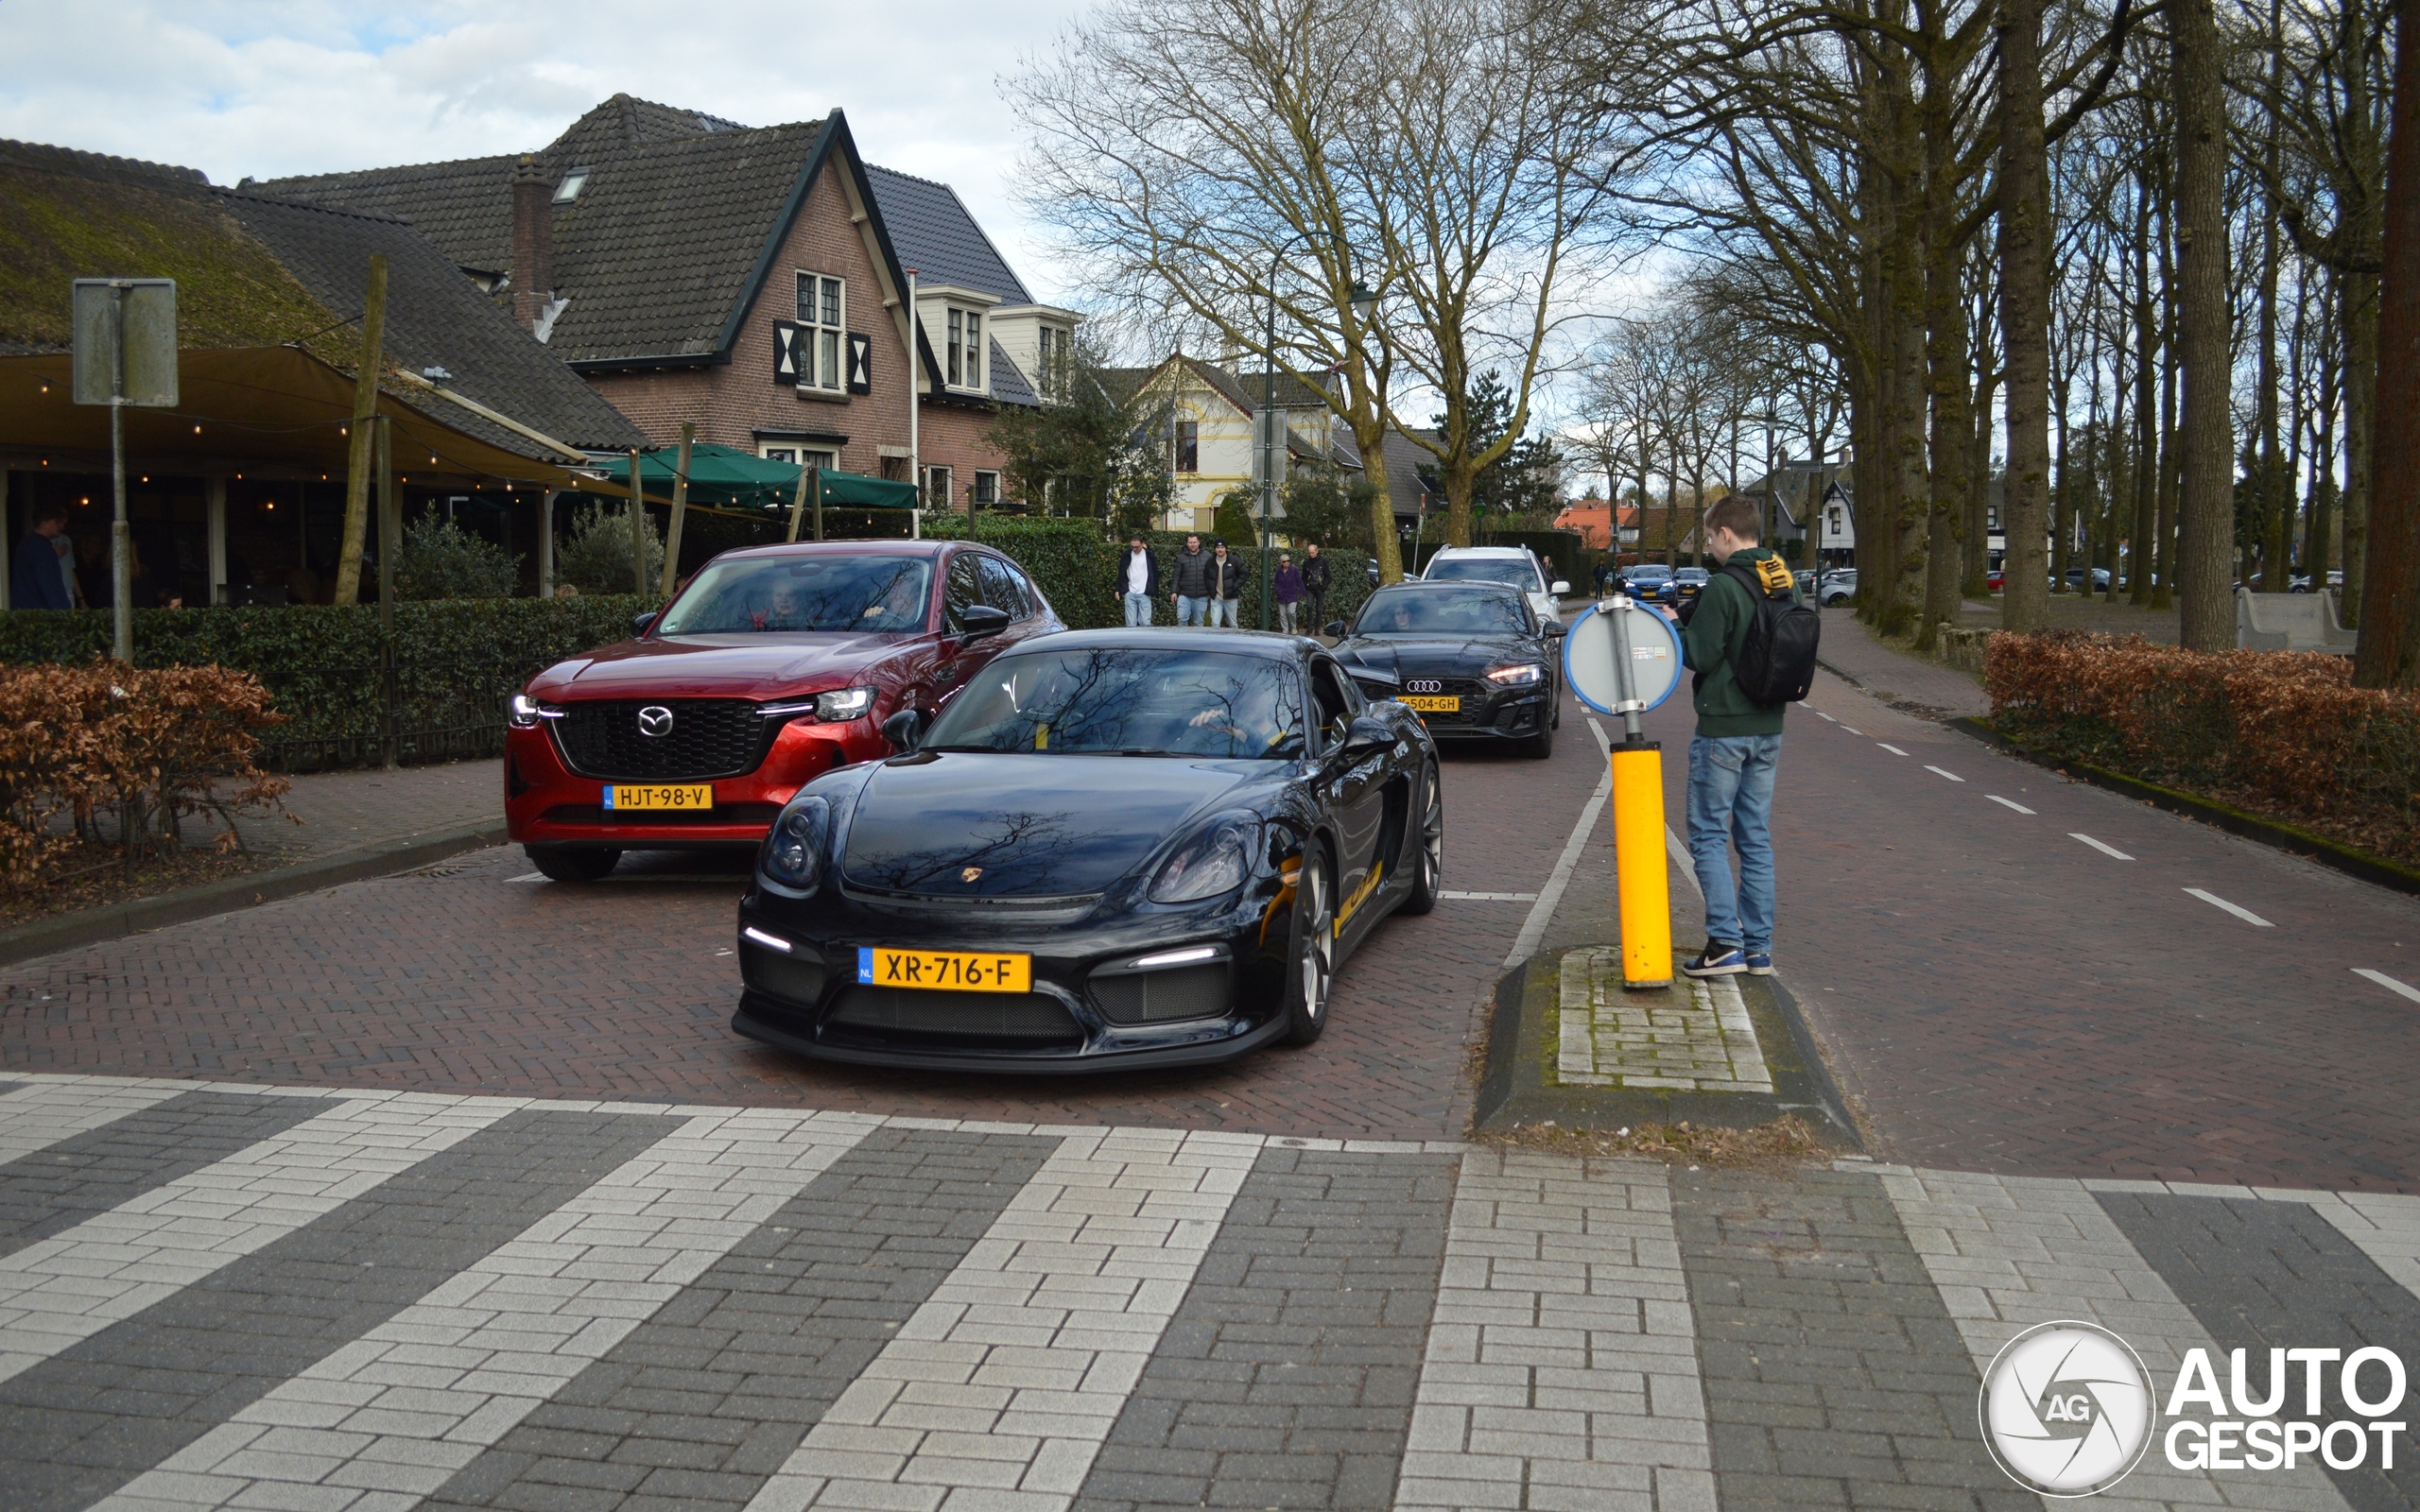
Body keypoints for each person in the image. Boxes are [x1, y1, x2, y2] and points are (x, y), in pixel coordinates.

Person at [1678, 494, 1795, 979]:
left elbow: (1701, 656)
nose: (1709, 548)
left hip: (1724, 729)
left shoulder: (1724, 586)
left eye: (1709, 539)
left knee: (1707, 834)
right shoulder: (1786, 581)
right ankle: (1758, 949)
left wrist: (1674, 628)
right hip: (1770, 728)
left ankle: (1725, 942)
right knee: (1754, 838)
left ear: (1726, 533)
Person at [11, 506, 76, 610]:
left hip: (23, 611)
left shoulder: (26, 544)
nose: (61, 527)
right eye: (57, 522)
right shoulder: (42, 549)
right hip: (38, 613)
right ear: (44, 524)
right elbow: (51, 586)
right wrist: (64, 612)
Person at [1169, 532, 1213, 626]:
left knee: (1199, 623)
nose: (1192, 545)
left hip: (1202, 596)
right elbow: (1176, 575)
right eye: (1190, 542)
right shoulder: (1181, 558)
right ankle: (1182, 640)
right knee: (1181, 619)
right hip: (1184, 595)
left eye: (1194, 542)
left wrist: (1211, 592)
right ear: (1187, 543)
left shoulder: (1208, 557)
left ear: (1199, 542)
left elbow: (1212, 576)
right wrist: (1173, 591)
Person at [1117, 535, 1159, 627]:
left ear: (1142, 545)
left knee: (1145, 623)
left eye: (1137, 547)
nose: (1134, 549)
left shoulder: (1149, 555)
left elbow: (1155, 573)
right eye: (1132, 547)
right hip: (1130, 592)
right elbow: (1121, 573)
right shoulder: (1126, 555)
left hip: (1144, 592)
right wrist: (1118, 589)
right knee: (1130, 624)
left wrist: (1153, 589)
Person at [1206, 541, 1245, 627]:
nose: (1220, 550)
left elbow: (1243, 574)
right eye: (1218, 548)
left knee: (1233, 625)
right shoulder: (1210, 562)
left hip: (1231, 598)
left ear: (1226, 549)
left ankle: (1235, 640)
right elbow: (1206, 577)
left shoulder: (1234, 560)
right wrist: (1211, 590)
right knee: (1215, 624)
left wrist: (1234, 587)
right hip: (1216, 598)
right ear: (1215, 549)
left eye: (1222, 547)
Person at [1300, 542, 1331, 631]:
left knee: (1319, 609)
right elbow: (1304, 576)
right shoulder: (1306, 563)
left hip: (1319, 588)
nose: (1311, 554)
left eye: (1313, 552)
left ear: (1317, 551)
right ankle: (1309, 627)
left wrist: (1323, 587)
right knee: (1309, 606)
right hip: (1310, 588)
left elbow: (1328, 575)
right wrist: (1305, 586)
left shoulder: (1323, 561)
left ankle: (1317, 628)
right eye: (1310, 553)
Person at [1272, 553, 1304, 633]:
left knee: (1291, 612)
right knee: (1282, 614)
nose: (1286, 563)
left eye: (1288, 561)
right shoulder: (1279, 571)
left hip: (1292, 594)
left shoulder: (1294, 570)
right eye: (1284, 561)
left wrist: (1304, 592)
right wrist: (1278, 590)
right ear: (1281, 563)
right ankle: (1285, 630)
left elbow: (1299, 581)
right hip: (1281, 595)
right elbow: (1276, 582)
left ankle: (1293, 627)